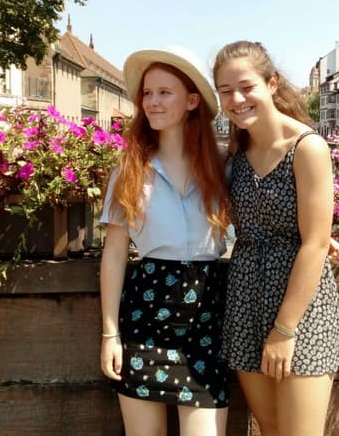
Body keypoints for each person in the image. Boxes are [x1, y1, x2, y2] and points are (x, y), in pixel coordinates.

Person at [213, 40, 339, 436]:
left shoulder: (307, 147)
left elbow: (313, 243)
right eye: (225, 91)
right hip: (245, 298)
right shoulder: (238, 148)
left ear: (271, 83)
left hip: (299, 308)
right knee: (271, 429)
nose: (236, 99)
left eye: (246, 87)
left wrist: (284, 330)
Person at [99, 46, 232, 436]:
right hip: (145, 313)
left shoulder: (222, 167)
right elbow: (114, 255)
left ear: (192, 101)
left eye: (164, 92)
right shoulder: (130, 169)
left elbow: (263, 216)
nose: (152, 102)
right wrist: (110, 334)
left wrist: (317, 237)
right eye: (147, 93)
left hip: (207, 316)